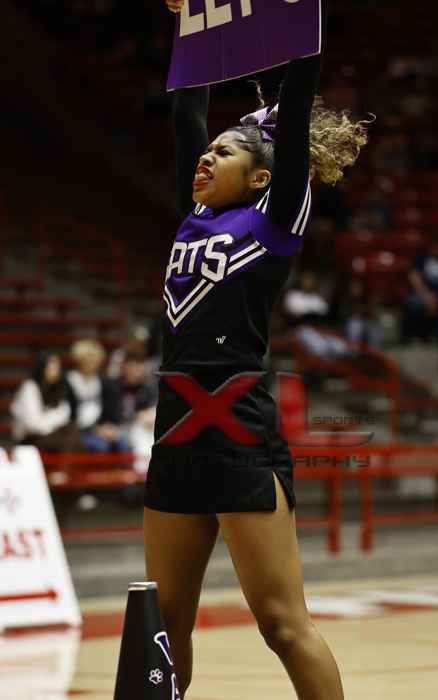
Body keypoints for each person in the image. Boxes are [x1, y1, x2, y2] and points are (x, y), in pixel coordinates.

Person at [144, 2, 369, 699]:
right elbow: (186, 108)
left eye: (224, 152)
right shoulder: (191, 217)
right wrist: (189, 20)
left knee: (281, 624)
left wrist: (299, 23)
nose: (206, 155)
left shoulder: (274, 221)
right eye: (207, 150)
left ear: (263, 177)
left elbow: (296, 103)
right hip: (175, 429)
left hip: (238, 430)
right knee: (162, 625)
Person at [67, 339, 130, 453]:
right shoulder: (69, 381)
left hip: (99, 428)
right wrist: (95, 430)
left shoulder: (102, 382)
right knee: (100, 446)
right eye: (90, 358)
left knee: (123, 443)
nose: (94, 362)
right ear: (80, 359)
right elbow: (69, 416)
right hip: (76, 431)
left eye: (96, 359)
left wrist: (109, 428)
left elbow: (108, 411)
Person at [10, 352, 82, 452]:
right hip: (29, 439)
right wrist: (54, 421)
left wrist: (49, 420)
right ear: (41, 368)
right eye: (51, 368)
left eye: (57, 368)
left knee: (73, 433)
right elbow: (34, 425)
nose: (55, 372)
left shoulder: (61, 388)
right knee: (69, 439)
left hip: (52, 435)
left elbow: (65, 414)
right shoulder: (29, 387)